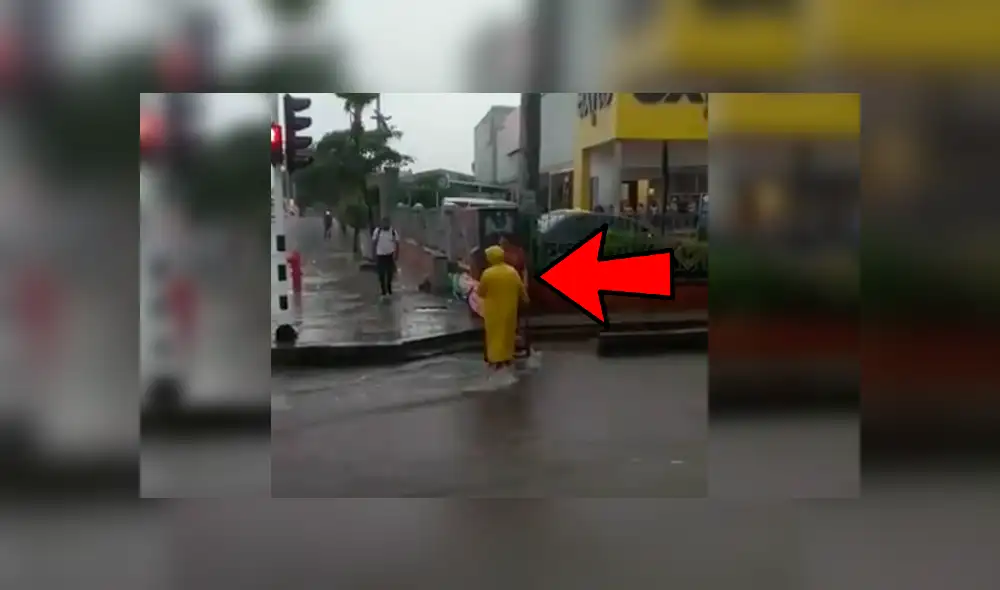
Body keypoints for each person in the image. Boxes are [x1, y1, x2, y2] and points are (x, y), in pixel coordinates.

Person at [476, 245, 528, 376]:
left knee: (494, 335)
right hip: (510, 309)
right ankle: (507, 358)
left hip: (493, 311)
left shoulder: (488, 274)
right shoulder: (512, 271)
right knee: (507, 334)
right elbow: (521, 289)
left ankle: (495, 361)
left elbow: (481, 292)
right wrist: (526, 300)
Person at [371, 217, 399, 299]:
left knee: (390, 273)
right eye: (384, 223)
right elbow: (374, 243)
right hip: (380, 255)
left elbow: (397, 243)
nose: (385, 224)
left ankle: (389, 287)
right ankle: (383, 289)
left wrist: (397, 254)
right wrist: (373, 254)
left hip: (390, 255)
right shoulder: (378, 231)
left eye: (387, 223)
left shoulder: (393, 232)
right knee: (381, 273)